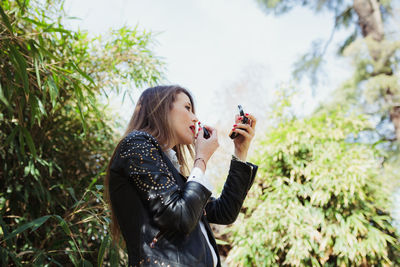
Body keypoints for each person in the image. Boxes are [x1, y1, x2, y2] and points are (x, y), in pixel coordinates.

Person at [105, 85, 258, 267]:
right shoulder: (137, 144)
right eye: (187, 108)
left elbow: (224, 212)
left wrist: (240, 151)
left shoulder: (171, 171)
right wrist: (201, 159)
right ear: (160, 108)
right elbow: (180, 216)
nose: (195, 118)